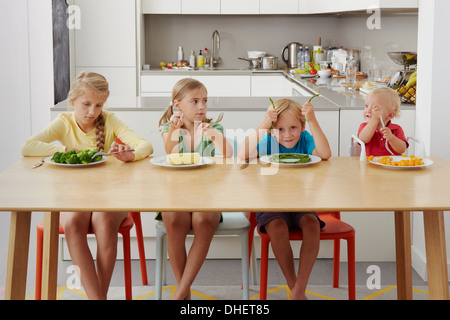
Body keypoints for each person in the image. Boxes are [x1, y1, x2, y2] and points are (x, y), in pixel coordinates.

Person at [21, 71, 153, 299]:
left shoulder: (110, 121)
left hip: (110, 195)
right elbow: (28, 147)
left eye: (98, 105)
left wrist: (131, 155)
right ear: (72, 102)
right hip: (75, 196)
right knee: (72, 222)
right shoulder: (64, 124)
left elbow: (145, 145)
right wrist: (65, 149)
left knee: (103, 220)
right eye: (86, 104)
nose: (92, 111)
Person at [237, 98, 331, 300]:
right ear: (272, 130)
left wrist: (313, 121)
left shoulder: (306, 139)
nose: (287, 135)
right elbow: (241, 154)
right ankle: (294, 288)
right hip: (271, 203)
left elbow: (325, 153)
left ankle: (299, 289)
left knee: (312, 224)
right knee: (278, 227)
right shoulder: (269, 141)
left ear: (302, 126)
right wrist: (264, 125)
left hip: (301, 202)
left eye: (293, 128)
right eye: (280, 129)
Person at [158, 78, 233, 300]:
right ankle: (186, 295)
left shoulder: (213, 127)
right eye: (195, 101)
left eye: (205, 101)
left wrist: (215, 136)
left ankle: (180, 292)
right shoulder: (169, 127)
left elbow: (228, 154)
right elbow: (171, 154)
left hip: (207, 195)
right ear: (177, 104)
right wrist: (174, 127)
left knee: (203, 220)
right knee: (173, 220)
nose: (202, 106)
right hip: (176, 194)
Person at [358, 87, 408, 156]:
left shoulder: (396, 129)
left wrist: (391, 138)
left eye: (375, 108)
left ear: (390, 115)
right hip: (369, 165)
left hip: (392, 165)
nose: (368, 110)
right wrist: (374, 119)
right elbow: (363, 140)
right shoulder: (364, 126)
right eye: (366, 106)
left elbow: (402, 149)